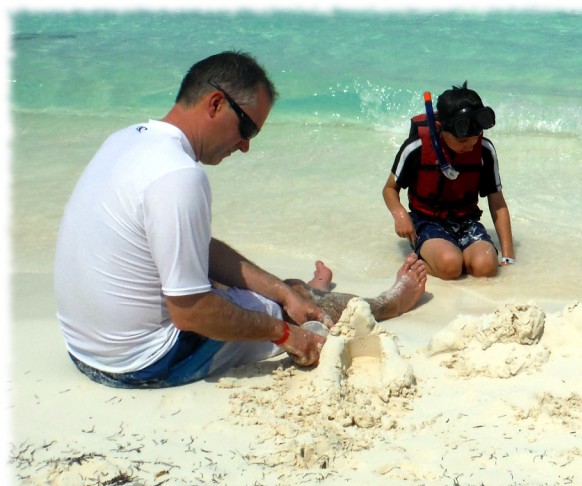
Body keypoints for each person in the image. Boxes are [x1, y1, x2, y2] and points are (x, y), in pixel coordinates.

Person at [54, 51, 428, 389]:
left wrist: (276, 290)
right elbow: (191, 312)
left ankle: (297, 291)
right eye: (246, 129)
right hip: (146, 362)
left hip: (86, 348)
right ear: (216, 103)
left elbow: (200, 247)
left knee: (275, 291)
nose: (246, 145)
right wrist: (285, 332)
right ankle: (385, 304)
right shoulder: (178, 175)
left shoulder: (127, 140)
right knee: (291, 305)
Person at [383, 82, 515, 280]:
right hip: (427, 222)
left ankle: (455, 253)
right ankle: (419, 262)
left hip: (466, 222)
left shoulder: (484, 150)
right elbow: (390, 189)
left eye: (475, 137)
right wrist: (400, 215)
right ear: (439, 128)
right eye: (462, 141)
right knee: (451, 266)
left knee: (486, 266)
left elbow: (497, 203)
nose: (470, 146)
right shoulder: (416, 148)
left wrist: (508, 255)